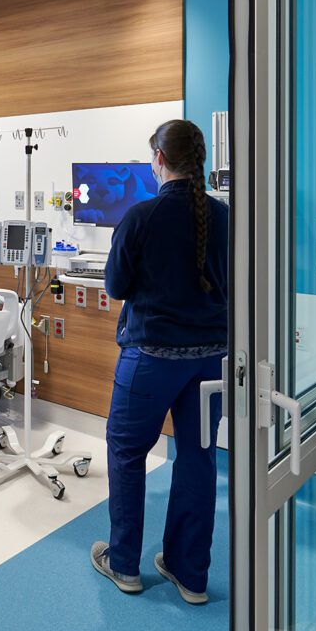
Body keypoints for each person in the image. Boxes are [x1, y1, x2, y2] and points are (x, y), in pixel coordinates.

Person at [90, 119, 229, 605]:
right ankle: (189, 573)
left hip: (150, 358)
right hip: (212, 362)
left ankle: (124, 564)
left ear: (160, 160)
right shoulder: (225, 217)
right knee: (198, 457)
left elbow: (115, 286)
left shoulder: (141, 216)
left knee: (126, 451)